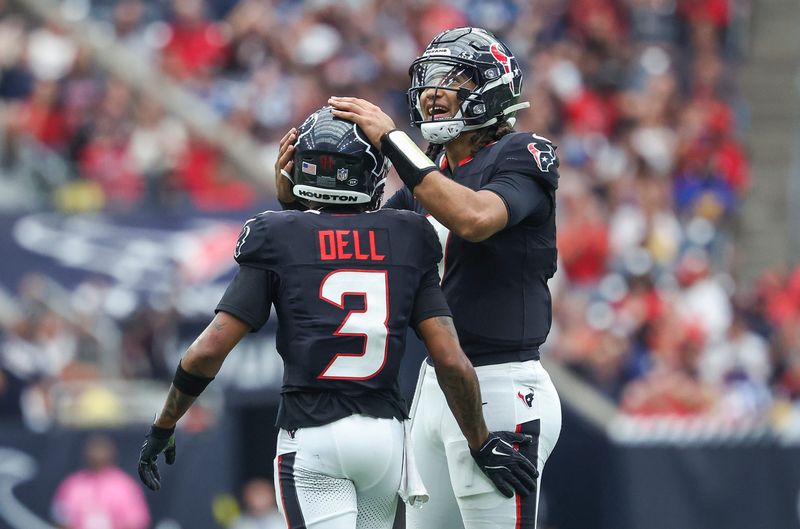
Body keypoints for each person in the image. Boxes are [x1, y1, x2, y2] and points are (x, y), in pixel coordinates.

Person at [138, 107, 537, 529]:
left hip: (313, 437)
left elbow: (208, 351)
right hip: (385, 439)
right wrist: (480, 441)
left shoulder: (275, 234)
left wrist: (163, 424)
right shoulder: (408, 235)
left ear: (295, 168)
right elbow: (451, 360)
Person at [323, 26, 564, 529]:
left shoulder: (521, 153)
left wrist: (392, 143)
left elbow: (475, 218)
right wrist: (296, 198)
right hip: (436, 385)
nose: (433, 92)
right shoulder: (432, 175)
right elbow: (359, 245)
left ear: (491, 88)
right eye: (428, 80)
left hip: (502, 385)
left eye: (451, 79)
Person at [52, 434, 150, 529]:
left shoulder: (125, 486)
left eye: (101, 450)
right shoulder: (72, 485)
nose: (96, 455)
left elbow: (137, 522)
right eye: (93, 450)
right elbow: (60, 519)